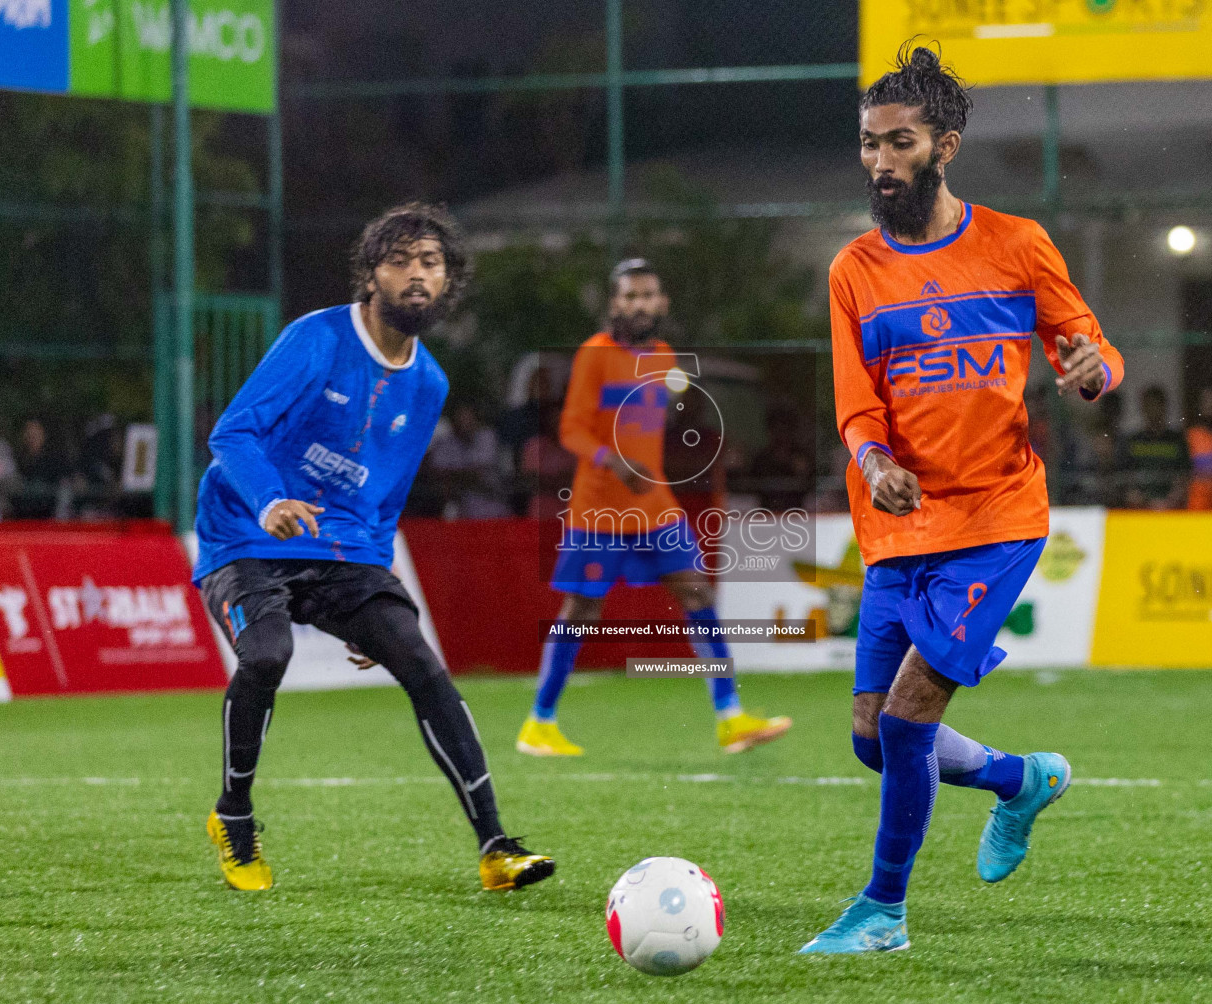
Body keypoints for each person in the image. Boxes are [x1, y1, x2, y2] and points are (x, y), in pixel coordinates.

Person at [800, 45, 1124, 955]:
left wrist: (1095, 371)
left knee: (907, 719)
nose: (879, 162)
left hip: (996, 522)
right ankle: (1024, 780)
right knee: (873, 737)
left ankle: (882, 912)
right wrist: (872, 464)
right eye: (869, 144)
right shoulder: (854, 270)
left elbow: (1088, 350)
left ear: (945, 147)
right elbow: (855, 401)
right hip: (898, 528)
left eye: (899, 143)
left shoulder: (1018, 245)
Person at [192, 201, 553, 893]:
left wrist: (375, 592)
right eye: (401, 261)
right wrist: (268, 502)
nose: (417, 275)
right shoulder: (316, 339)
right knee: (267, 653)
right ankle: (233, 816)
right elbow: (233, 432)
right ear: (371, 275)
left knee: (419, 659)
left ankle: (496, 847)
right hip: (244, 532)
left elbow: (384, 496)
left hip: (343, 551)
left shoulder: (429, 383)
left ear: (448, 281)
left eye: (431, 263)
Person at [516, 258, 792, 757]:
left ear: (661, 304)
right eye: (630, 296)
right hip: (599, 509)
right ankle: (540, 721)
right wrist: (611, 461)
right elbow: (571, 429)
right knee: (582, 608)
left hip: (655, 507)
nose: (640, 305)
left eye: (648, 296)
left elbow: (646, 435)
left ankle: (731, 717)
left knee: (697, 593)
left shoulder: (665, 357)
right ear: (614, 304)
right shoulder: (594, 355)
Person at [427, 401, 512, 518]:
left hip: (493, 510)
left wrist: (455, 476)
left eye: (468, 416)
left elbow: (477, 474)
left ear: (476, 418)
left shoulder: (487, 437)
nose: (464, 421)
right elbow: (437, 474)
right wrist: (458, 477)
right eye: (460, 416)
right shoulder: (446, 443)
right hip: (462, 514)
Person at [1121, 386, 1190, 509]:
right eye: (1149, 405)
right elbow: (1126, 477)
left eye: (1156, 405)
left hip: (1171, 509)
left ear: (1164, 407)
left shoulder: (1177, 440)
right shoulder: (1133, 441)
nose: (1153, 410)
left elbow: (1184, 476)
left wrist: (1169, 502)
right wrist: (1144, 501)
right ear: (1143, 408)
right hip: (1139, 510)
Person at [11, 418, 73, 520]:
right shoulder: (17, 460)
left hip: (48, 517)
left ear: (43, 434)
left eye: (35, 433)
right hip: (23, 518)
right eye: (28, 433)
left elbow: (65, 483)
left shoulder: (54, 460)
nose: (31, 436)